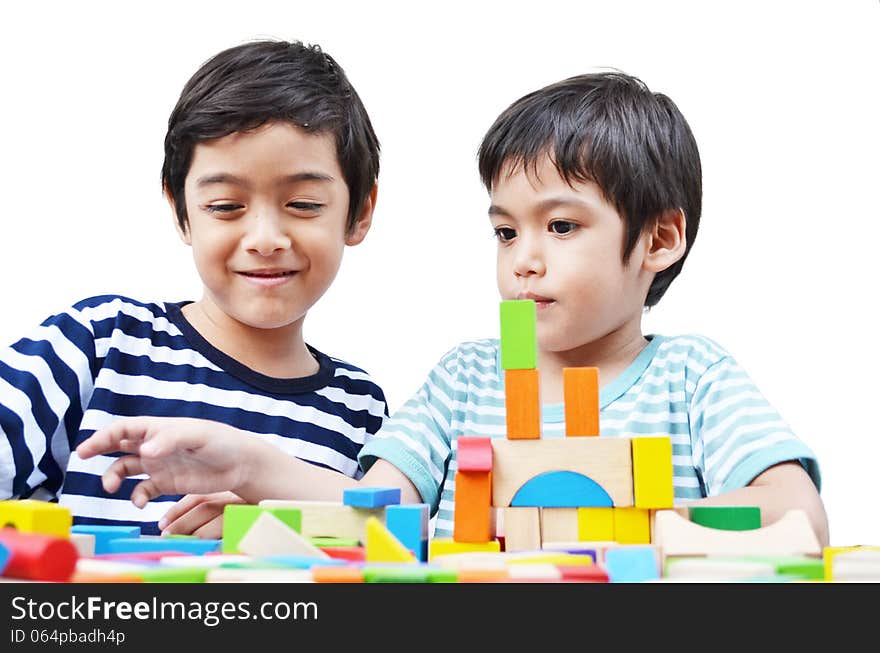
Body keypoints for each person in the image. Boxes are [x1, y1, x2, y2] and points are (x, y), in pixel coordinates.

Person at [77, 71, 829, 546]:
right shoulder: (466, 380)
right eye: (505, 230)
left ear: (659, 238)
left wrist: (628, 529)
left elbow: (797, 512)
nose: (523, 257)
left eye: (561, 226)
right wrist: (249, 465)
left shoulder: (694, 377)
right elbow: (377, 516)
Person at [0, 39, 388, 535]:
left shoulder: (360, 410)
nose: (265, 240)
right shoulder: (99, 343)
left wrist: (280, 523)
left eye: (304, 204)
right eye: (226, 206)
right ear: (181, 212)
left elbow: (387, 542)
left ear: (360, 213)